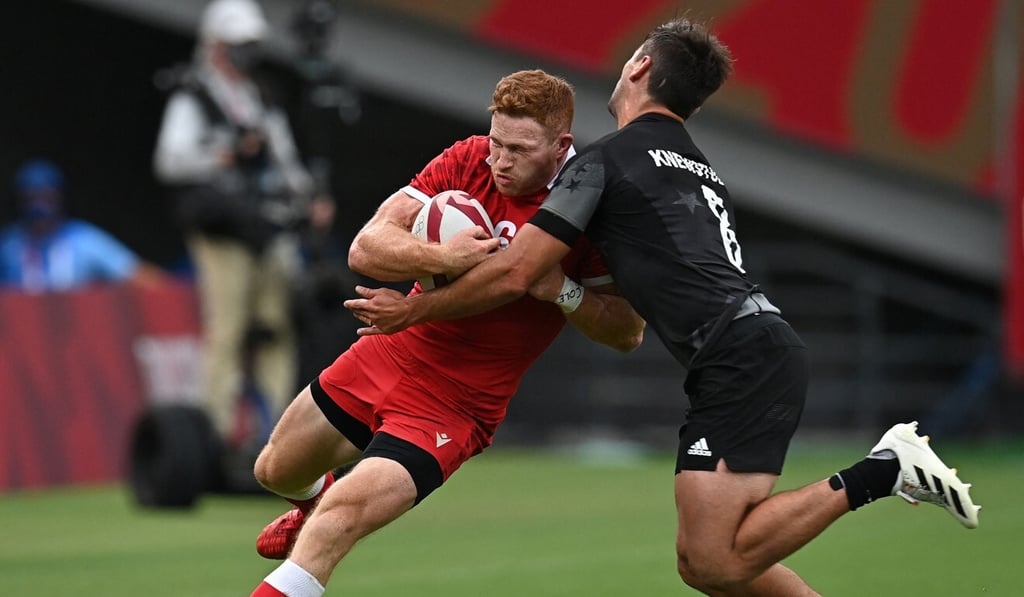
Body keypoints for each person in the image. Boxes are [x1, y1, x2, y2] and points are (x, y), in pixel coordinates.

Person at [344, 18, 980, 596]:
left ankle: (885, 469)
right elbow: (602, 310)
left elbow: (514, 271)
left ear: (641, 66)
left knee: (714, 563)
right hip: (750, 348)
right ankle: (883, 473)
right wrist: (564, 290)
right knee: (713, 561)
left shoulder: (605, 160)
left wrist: (413, 312)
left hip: (739, 356)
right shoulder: (700, 168)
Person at [247, 69, 645, 597]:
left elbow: (627, 332)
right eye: (497, 143)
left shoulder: (589, 203)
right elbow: (365, 248)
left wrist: (563, 291)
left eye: (519, 150)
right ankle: (310, 498)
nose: (500, 161)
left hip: (457, 403)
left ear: (560, 146)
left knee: (338, 522)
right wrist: (441, 256)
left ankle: (319, 515)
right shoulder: (468, 158)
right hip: (390, 350)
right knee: (274, 469)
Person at [152, 0, 334, 447]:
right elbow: (170, 161)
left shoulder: (259, 98)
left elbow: (285, 162)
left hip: (268, 228)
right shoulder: (194, 95)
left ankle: (272, 433)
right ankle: (211, 435)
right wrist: (224, 155)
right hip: (222, 231)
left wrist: (309, 197)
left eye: (251, 45)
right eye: (238, 45)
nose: (245, 53)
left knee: (277, 325)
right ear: (216, 45)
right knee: (228, 328)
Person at [0, 159, 162, 293]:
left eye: (46, 196)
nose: (38, 206)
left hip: (80, 325)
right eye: (30, 198)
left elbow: (137, 274)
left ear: (59, 198)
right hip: (22, 326)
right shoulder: (9, 244)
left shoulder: (84, 239)